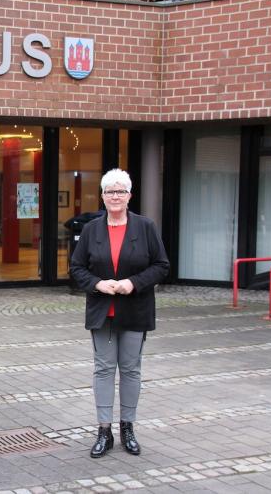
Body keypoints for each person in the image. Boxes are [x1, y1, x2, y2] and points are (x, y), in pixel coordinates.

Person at [70, 169, 169, 459]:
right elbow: (76, 268)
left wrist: (133, 283)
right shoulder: (91, 230)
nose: (115, 196)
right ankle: (104, 431)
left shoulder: (145, 227)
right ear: (102, 196)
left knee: (130, 370)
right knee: (103, 370)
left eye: (120, 191)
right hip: (103, 312)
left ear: (129, 196)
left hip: (135, 310)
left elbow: (161, 265)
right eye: (110, 191)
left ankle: (128, 428)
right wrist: (98, 283)